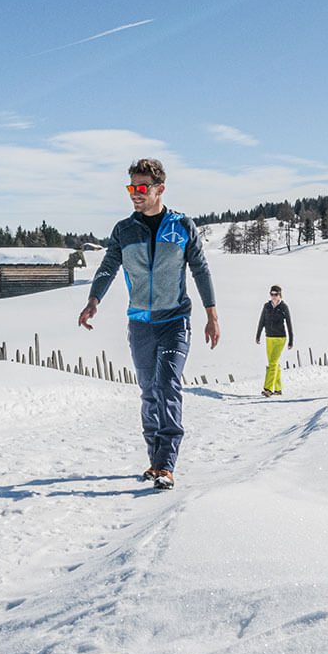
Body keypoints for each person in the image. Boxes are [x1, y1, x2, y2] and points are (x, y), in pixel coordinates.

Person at [79, 158, 219, 491]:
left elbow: (200, 270)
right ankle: (155, 459)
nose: (135, 195)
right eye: (131, 188)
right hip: (140, 323)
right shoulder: (124, 230)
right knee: (149, 393)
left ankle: (166, 464)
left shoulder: (181, 226)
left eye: (141, 188)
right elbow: (108, 267)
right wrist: (93, 300)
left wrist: (212, 315)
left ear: (159, 189)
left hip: (175, 320)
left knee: (167, 385)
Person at [254, 284, 293, 397]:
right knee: (274, 363)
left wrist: (291, 340)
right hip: (269, 337)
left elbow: (289, 324)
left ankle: (268, 388)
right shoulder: (266, 306)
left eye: (275, 294)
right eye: (271, 294)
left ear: (280, 294)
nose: (273, 296)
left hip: (280, 338)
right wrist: (258, 335)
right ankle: (278, 388)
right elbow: (261, 321)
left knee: (272, 363)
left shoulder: (284, 307)